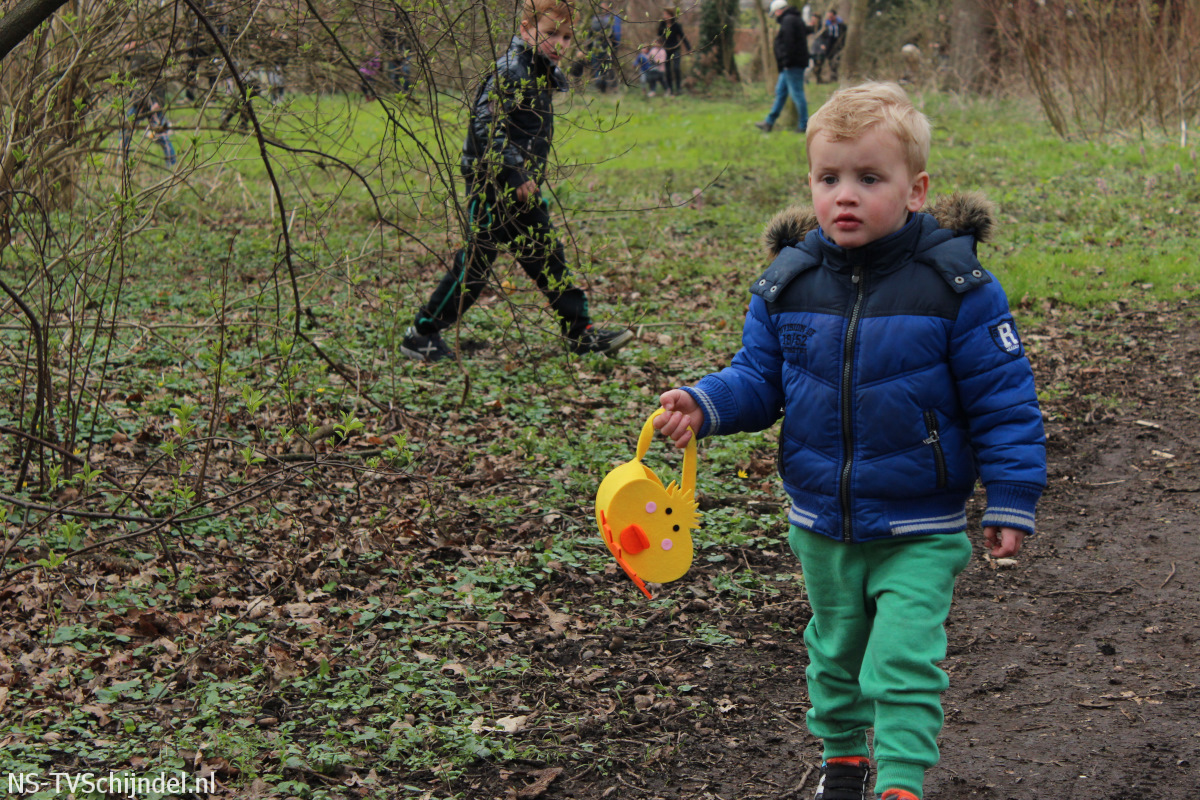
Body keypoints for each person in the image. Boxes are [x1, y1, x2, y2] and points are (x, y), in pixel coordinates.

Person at [653, 82, 1046, 800]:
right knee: (834, 653)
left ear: (915, 189)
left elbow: (1004, 398)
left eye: (870, 179)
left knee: (901, 658)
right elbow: (758, 378)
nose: (845, 196)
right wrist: (705, 403)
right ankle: (843, 760)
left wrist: (1012, 497)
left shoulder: (957, 287)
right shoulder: (788, 283)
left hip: (919, 523)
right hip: (821, 523)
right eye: (829, 178)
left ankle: (899, 781)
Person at [401, 0, 632, 362]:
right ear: (526, 29)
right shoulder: (511, 70)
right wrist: (515, 171)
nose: (560, 43)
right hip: (492, 185)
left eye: (567, 36)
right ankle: (422, 333)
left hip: (521, 190)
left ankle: (580, 332)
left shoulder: (538, 72)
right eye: (551, 32)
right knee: (474, 267)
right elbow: (484, 126)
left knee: (547, 255)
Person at [755, 0, 814, 133]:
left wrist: (786, 62)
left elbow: (788, 44)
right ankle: (769, 122)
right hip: (790, 65)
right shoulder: (795, 19)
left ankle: (804, 125)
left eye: (775, 14)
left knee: (797, 94)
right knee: (781, 92)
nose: (775, 17)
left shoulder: (788, 21)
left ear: (779, 10)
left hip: (791, 64)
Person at [121, 42, 176, 168]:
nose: (125, 48)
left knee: (161, 134)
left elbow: (158, 84)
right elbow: (133, 88)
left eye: (128, 45)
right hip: (139, 106)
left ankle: (172, 163)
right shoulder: (132, 64)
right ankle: (123, 161)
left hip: (152, 105)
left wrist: (157, 103)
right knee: (125, 130)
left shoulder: (146, 62)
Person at [586, 2, 622, 93]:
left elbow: (589, 37)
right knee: (605, 68)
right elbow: (613, 35)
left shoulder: (610, 18)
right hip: (605, 48)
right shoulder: (607, 21)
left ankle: (603, 87)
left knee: (599, 68)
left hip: (598, 48)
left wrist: (588, 48)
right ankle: (605, 87)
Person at [656, 6, 691, 95]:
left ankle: (678, 88)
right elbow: (659, 36)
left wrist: (688, 48)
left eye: (667, 14)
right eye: (664, 14)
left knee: (676, 68)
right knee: (667, 70)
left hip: (675, 49)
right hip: (666, 50)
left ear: (671, 15)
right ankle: (670, 89)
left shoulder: (676, 25)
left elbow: (683, 37)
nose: (665, 16)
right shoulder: (662, 25)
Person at [811, 8, 847, 83]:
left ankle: (834, 78)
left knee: (835, 62)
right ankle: (823, 78)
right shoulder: (826, 25)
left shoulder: (841, 24)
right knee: (825, 62)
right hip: (828, 46)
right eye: (828, 17)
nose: (829, 18)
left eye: (831, 16)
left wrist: (841, 45)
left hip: (837, 46)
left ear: (834, 16)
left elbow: (843, 35)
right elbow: (824, 36)